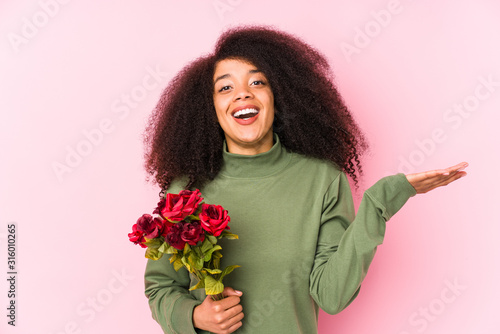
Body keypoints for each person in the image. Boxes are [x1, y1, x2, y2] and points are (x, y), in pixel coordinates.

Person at [142, 26, 467, 334]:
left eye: (257, 83)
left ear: (278, 95)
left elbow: (332, 295)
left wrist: (379, 202)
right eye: (225, 87)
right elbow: (161, 287)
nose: (242, 95)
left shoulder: (323, 180)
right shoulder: (185, 193)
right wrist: (194, 316)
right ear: (209, 108)